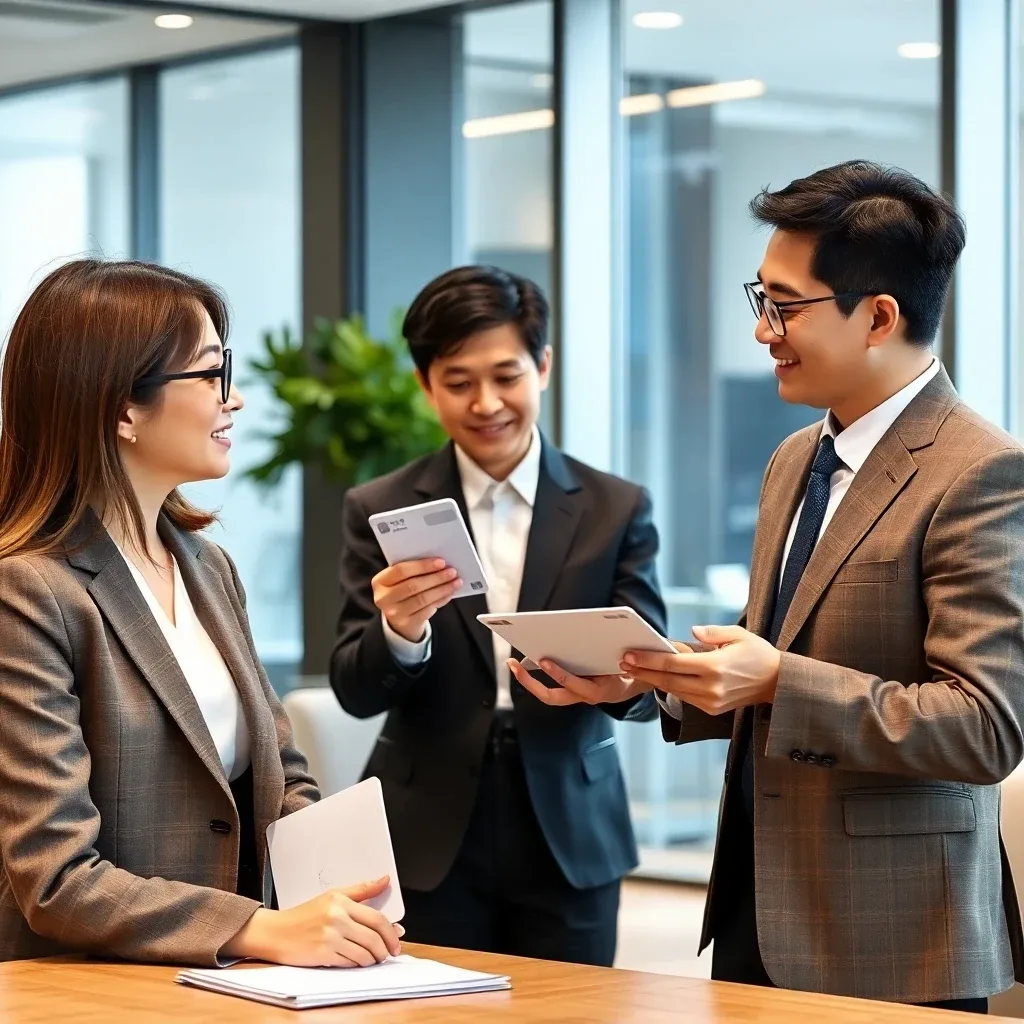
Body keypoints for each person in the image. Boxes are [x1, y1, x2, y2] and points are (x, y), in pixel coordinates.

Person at [511, 161, 1024, 1013]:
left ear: (880, 317)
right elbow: (767, 651)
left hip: (895, 937)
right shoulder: (796, 460)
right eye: (764, 301)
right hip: (759, 902)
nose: (762, 332)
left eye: (783, 307)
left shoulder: (982, 471)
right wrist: (646, 680)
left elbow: (983, 727)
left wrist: (780, 680)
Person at [0, 259, 402, 968]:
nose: (235, 399)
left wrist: (348, 892)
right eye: (212, 374)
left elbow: (283, 773)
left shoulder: (208, 567)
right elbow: (56, 878)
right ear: (124, 406)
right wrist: (257, 928)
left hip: (236, 982)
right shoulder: (29, 591)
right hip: (87, 991)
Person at [330, 265, 666, 966]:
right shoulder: (380, 508)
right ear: (426, 386)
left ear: (542, 367)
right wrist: (400, 631)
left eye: (506, 376)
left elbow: (651, 680)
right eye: (458, 382)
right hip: (428, 829)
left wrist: (625, 680)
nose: (487, 403)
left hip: (570, 822)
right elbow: (354, 690)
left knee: (574, 1016)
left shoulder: (616, 507)